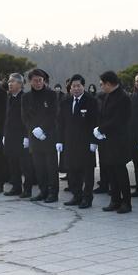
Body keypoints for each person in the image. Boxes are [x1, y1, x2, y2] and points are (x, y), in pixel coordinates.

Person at [56, 74, 99, 208]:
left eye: (78, 86)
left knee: (87, 172)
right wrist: (60, 141)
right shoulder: (65, 101)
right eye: (73, 86)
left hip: (86, 143)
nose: (75, 88)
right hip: (70, 142)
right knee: (73, 171)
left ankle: (87, 198)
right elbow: (60, 122)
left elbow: (95, 122)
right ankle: (76, 195)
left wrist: (94, 141)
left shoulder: (91, 101)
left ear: (83, 86)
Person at [94, 71, 132, 213]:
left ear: (109, 83)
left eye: (102, 84)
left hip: (119, 141)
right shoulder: (108, 96)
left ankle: (126, 202)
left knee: (120, 172)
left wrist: (102, 129)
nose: (101, 87)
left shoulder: (123, 98)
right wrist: (99, 129)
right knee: (111, 171)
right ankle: (115, 200)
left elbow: (119, 120)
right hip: (107, 140)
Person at [23, 68, 60, 202]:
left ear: (44, 81)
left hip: (48, 135)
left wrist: (43, 129)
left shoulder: (51, 95)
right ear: (30, 81)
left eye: (40, 80)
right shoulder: (26, 97)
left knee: (51, 167)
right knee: (39, 167)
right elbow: (25, 116)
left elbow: (54, 114)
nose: (38, 83)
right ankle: (43, 191)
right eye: (35, 80)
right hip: (34, 136)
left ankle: (53, 193)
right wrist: (34, 129)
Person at [2, 73, 34, 198]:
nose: (10, 84)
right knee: (13, 163)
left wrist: (27, 137)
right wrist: (4, 134)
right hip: (10, 136)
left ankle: (28, 189)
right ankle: (16, 187)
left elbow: (29, 119)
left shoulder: (25, 98)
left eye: (13, 82)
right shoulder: (9, 97)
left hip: (22, 137)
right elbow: (7, 118)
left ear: (20, 84)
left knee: (25, 165)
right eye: (9, 81)